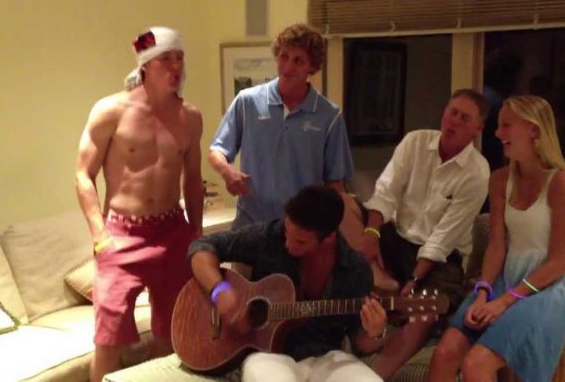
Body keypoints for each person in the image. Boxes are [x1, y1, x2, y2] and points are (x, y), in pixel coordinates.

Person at [75, 27, 204, 382]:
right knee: (108, 340)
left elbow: (193, 179)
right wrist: (99, 236)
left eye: (180, 57)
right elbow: (83, 175)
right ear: (146, 64)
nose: (176, 66)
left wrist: (196, 232)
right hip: (121, 235)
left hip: (172, 232)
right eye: (166, 59)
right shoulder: (110, 111)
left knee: (171, 333)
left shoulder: (190, 117)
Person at [426, 95, 565, 382]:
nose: (498, 134)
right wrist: (483, 292)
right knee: (445, 352)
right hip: (505, 277)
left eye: (506, 125)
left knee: (476, 363)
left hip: (547, 286)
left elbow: (558, 263)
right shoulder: (500, 180)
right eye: (498, 126)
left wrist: (504, 302)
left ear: (534, 130)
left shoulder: (564, 184)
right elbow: (497, 245)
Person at [349, 89, 490, 380]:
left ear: (478, 129)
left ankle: (374, 376)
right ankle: (379, 280)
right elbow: (386, 192)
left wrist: (414, 279)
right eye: (452, 112)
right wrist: (372, 233)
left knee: (423, 316)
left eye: (465, 118)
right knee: (341, 204)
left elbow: (444, 237)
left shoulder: (477, 172)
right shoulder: (415, 141)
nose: (454, 121)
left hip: (441, 259)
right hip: (396, 238)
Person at [188, 186, 386, 382]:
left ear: (329, 237)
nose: (288, 244)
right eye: (287, 232)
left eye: (300, 242)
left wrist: (375, 333)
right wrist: (219, 290)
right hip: (268, 355)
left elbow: (361, 345)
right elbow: (202, 247)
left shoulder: (355, 270)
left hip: (326, 357)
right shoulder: (269, 237)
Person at [208, 23, 354, 229]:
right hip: (250, 227)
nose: (288, 67)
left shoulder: (329, 116)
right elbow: (216, 151)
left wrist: (334, 234)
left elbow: (335, 185)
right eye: (284, 56)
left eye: (298, 61)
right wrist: (226, 171)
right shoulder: (247, 102)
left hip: (303, 232)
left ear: (312, 66)